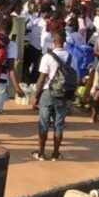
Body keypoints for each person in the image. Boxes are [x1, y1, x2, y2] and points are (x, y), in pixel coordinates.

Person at [30, 31, 71, 161]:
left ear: (53, 40)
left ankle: (41, 153)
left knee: (44, 123)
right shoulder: (69, 56)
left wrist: (36, 95)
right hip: (62, 94)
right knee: (59, 125)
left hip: (48, 92)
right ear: (64, 41)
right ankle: (55, 153)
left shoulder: (47, 57)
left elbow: (42, 79)